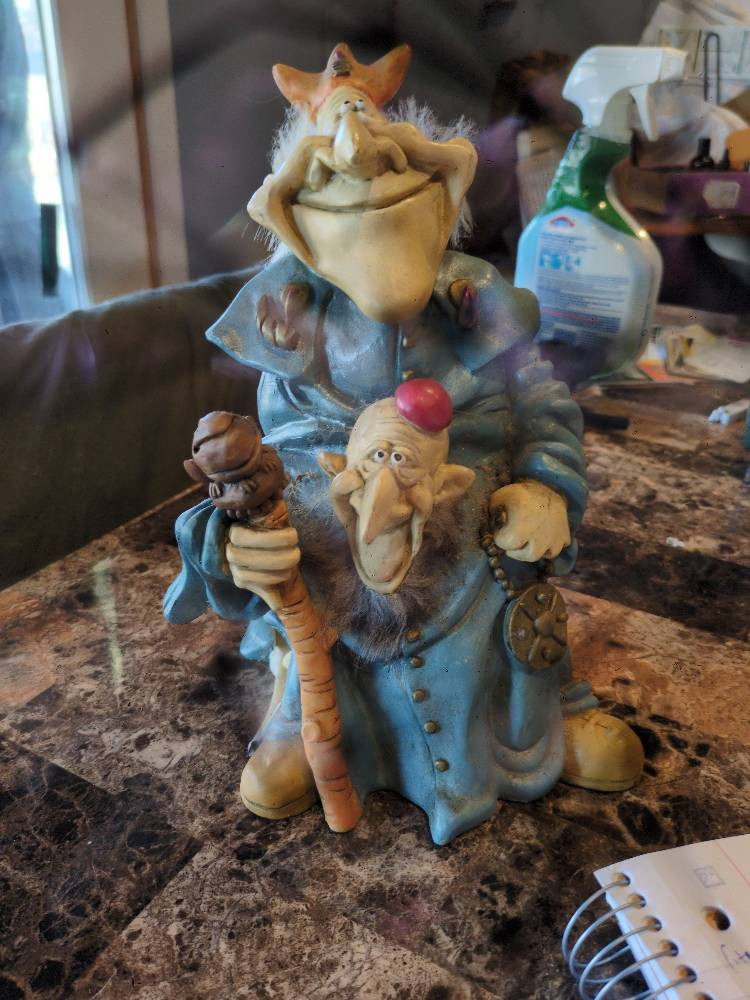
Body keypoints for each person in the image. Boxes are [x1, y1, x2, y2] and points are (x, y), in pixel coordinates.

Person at [165, 42, 642, 845]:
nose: (361, 164)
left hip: (477, 540)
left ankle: (538, 717)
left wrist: (546, 485)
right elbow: (278, 457)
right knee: (320, 602)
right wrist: (240, 542)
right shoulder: (291, 332)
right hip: (336, 560)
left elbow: (542, 404)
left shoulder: (478, 305)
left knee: (508, 606)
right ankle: (307, 720)